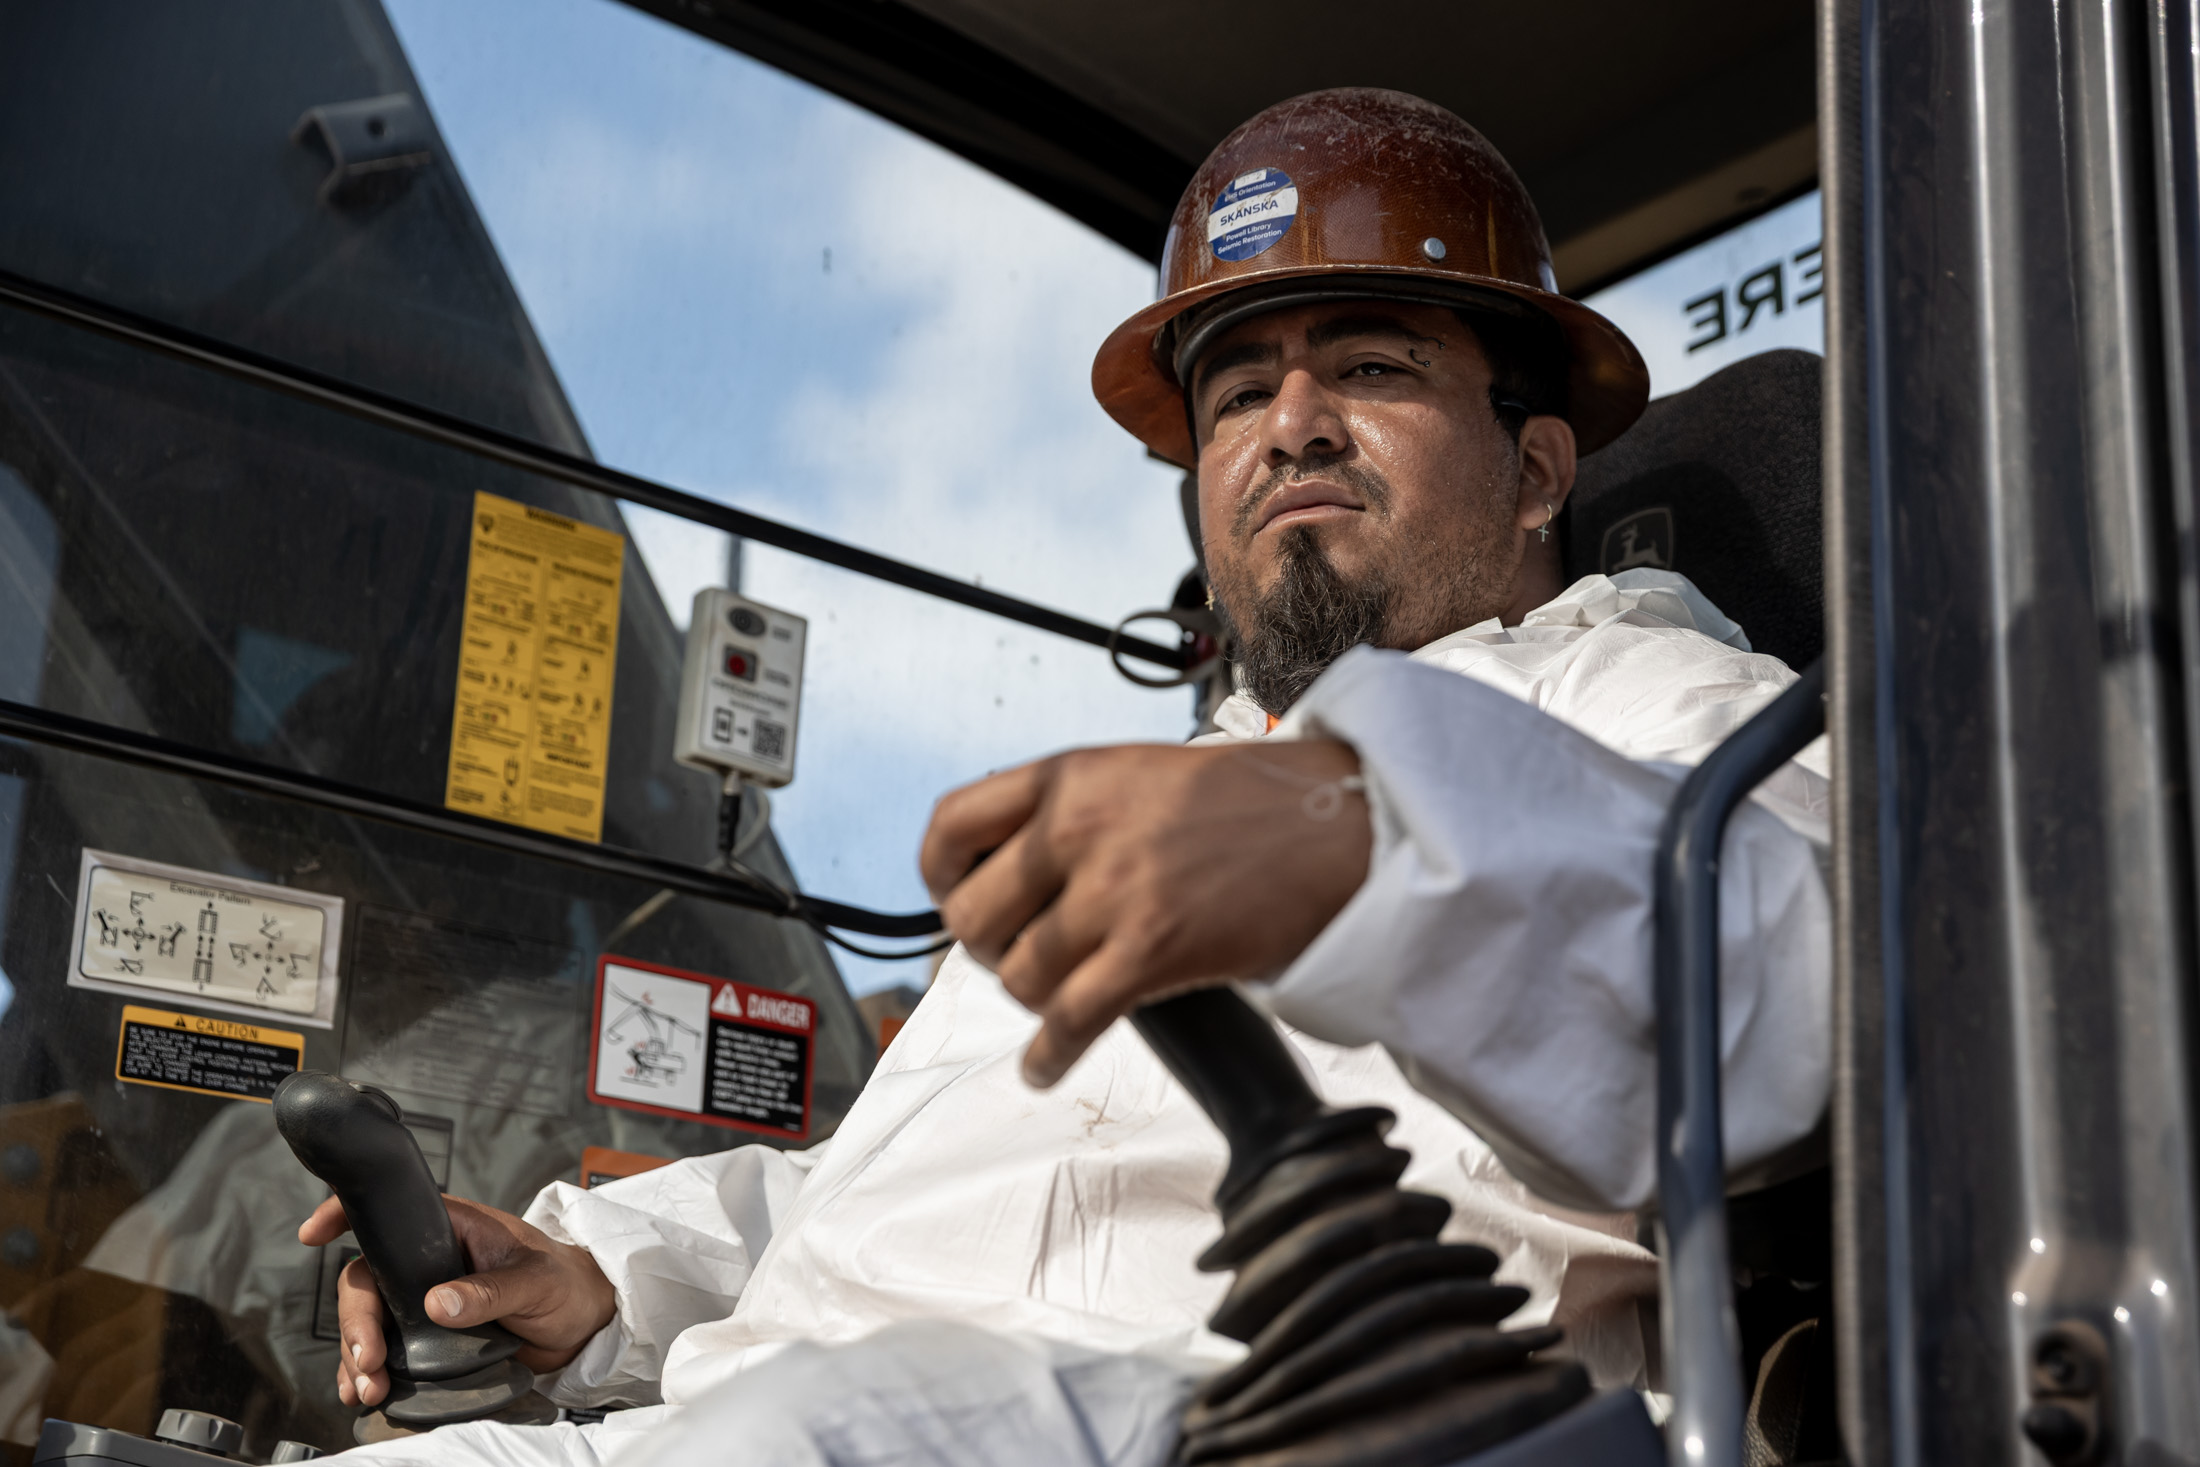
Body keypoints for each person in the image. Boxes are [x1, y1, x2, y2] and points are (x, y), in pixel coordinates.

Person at [320, 88, 1829, 1465]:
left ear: (1542, 470)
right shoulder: (1185, 785)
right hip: (791, 1417)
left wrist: (1351, 837)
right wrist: (604, 1275)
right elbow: (927, 1182)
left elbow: (1786, 993)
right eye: (1236, 396)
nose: (1288, 422)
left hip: (1248, 1413)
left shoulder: (1662, 704)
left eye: (1369, 366)